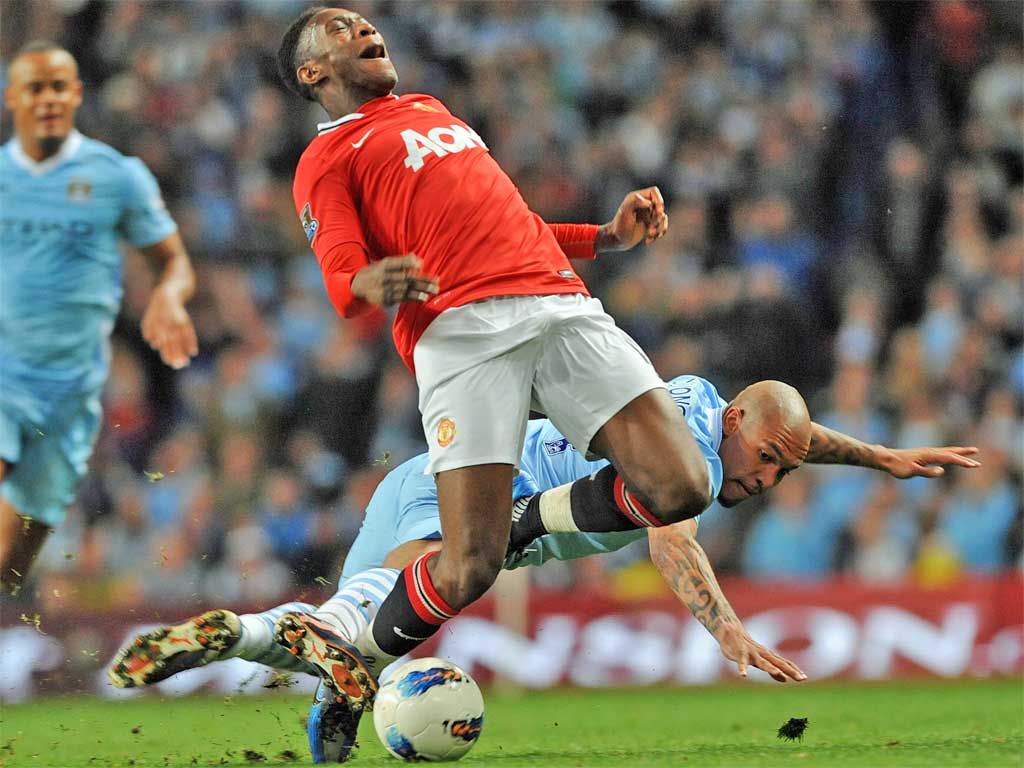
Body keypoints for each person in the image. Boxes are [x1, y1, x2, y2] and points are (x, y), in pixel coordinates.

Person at [108, 374, 978, 762]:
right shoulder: (698, 464)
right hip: (491, 497)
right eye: (770, 462)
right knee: (377, 618)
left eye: (785, 468)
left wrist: (882, 456)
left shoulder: (717, 407)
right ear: (740, 423)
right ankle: (316, 649)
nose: (773, 479)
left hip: (422, 475)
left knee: (365, 632)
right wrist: (727, 628)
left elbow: (799, 433)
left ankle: (258, 636)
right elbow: (672, 535)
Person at [275, 4, 710, 722]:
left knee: (681, 484)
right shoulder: (326, 158)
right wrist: (367, 283)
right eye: (339, 27)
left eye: (362, 21)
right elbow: (341, 278)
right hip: (460, 330)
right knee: (470, 563)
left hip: (559, 303)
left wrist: (602, 237)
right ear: (312, 71)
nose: (361, 28)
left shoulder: (428, 107)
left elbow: (509, 220)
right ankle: (351, 675)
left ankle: (531, 519)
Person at [0, 42, 198, 595]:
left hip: (70, 390)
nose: (47, 99)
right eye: (34, 87)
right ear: (13, 96)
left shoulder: (118, 178)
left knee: (9, 567)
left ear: (76, 95)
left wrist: (168, 297)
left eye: (58, 86)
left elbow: (174, 261)